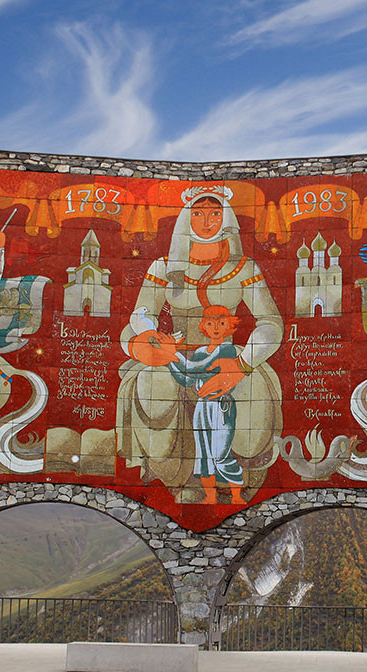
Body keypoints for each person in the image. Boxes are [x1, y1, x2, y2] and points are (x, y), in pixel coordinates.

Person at [117, 188, 283, 503]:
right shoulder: (162, 266)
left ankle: (239, 472)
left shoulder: (244, 268)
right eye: (198, 213)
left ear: (226, 219)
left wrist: (242, 363)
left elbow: (271, 323)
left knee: (250, 389)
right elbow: (138, 316)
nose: (206, 221)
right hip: (175, 355)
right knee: (153, 383)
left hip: (228, 356)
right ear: (185, 219)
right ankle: (176, 476)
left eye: (214, 213)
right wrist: (149, 341)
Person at [168, 306, 245, 504]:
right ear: (204, 327)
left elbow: (197, 370)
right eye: (210, 323)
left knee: (220, 454)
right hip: (203, 407)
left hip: (221, 406)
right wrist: (168, 359)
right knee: (204, 456)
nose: (216, 328)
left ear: (230, 326)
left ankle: (236, 497)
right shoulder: (201, 351)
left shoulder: (227, 349)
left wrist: (172, 353)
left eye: (221, 323)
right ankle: (210, 497)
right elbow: (186, 379)